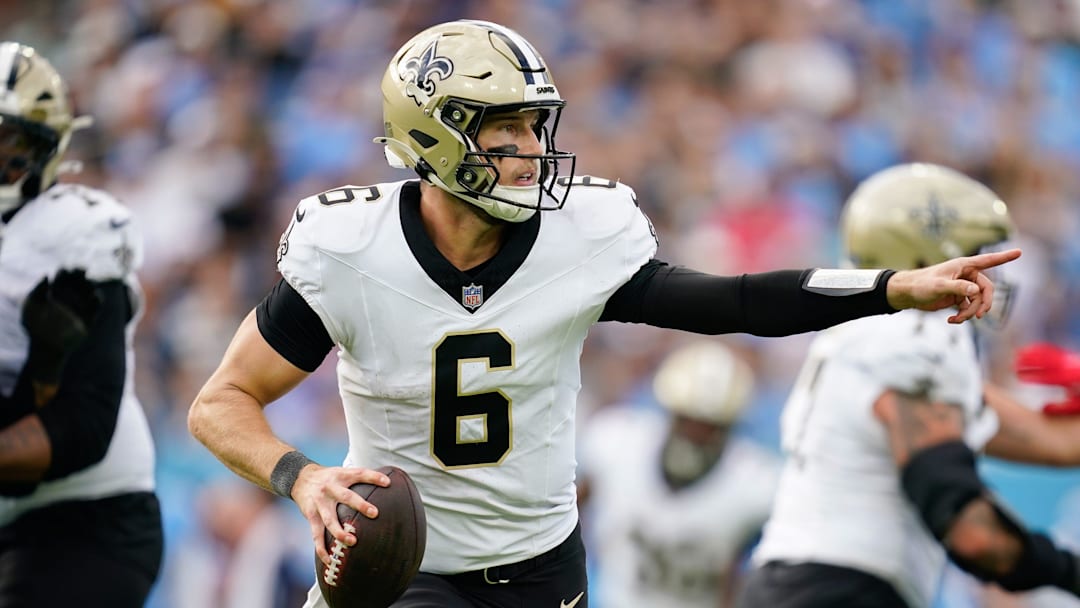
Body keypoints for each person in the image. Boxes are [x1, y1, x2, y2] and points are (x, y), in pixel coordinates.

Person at [187, 21, 1019, 608]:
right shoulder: (350, 249)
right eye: (505, 129)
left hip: (544, 567)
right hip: (407, 568)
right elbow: (219, 403)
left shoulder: (580, 236)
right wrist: (303, 477)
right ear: (435, 136)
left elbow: (732, 302)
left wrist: (889, 287)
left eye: (534, 125)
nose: (532, 149)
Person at [737, 163, 1080, 608]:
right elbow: (975, 536)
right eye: (976, 255)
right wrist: (1069, 572)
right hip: (839, 593)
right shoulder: (911, 335)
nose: (990, 276)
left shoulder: (869, 338)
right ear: (926, 260)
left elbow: (1057, 444)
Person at [0, 42, 161, 606]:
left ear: (45, 148)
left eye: (8, 142)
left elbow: (84, 427)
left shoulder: (70, 236)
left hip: (90, 516)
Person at [578, 339, 780, 608]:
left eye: (710, 426)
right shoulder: (619, 441)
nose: (695, 434)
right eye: (687, 420)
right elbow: (567, 510)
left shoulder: (757, 482)